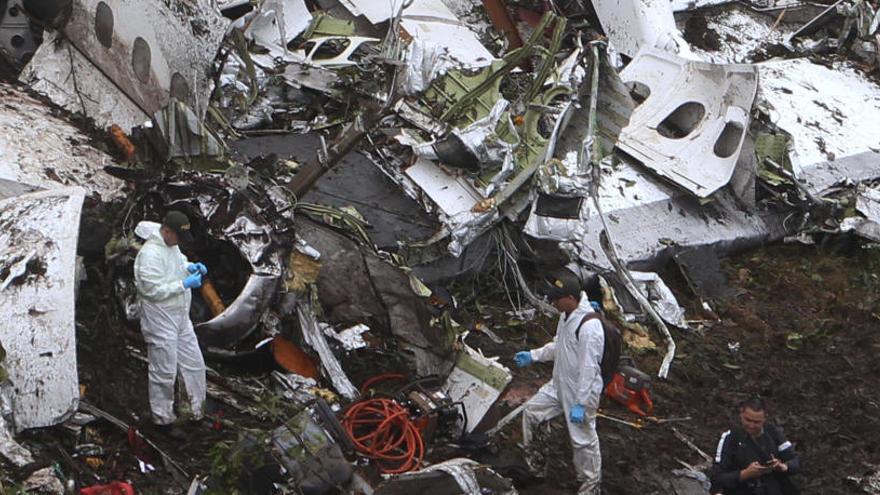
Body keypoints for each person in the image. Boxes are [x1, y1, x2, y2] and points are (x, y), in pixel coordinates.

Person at [514, 269, 604, 495]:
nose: (553, 302)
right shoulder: (566, 317)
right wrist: (533, 355)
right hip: (559, 384)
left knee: (582, 441)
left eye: (556, 299)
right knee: (532, 413)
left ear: (571, 299)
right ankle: (536, 466)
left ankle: (590, 487)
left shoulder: (590, 327)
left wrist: (581, 403)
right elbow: (559, 347)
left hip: (580, 391)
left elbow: (590, 368)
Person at [133, 211, 208, 436]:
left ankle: (196, 411)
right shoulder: (148, 255)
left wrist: (190, 267)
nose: (180, 243)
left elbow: (178, 264)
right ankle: (162, 419)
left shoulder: (172, 246)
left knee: (194, 364)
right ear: (166, 231)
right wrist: (183, 284)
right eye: (178, 237)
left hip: (180, 318)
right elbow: (150, 290)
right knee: (163, 371)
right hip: (159, 320)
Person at [710, 397, 801, 495]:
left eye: (757, 422)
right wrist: (744, 474)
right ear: (741, 414)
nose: (751, 425)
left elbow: (795, 461)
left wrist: (783, 467)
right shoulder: (730, 438)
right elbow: (717, 478)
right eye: (748, 420)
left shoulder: (773, 433)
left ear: (765, 418)